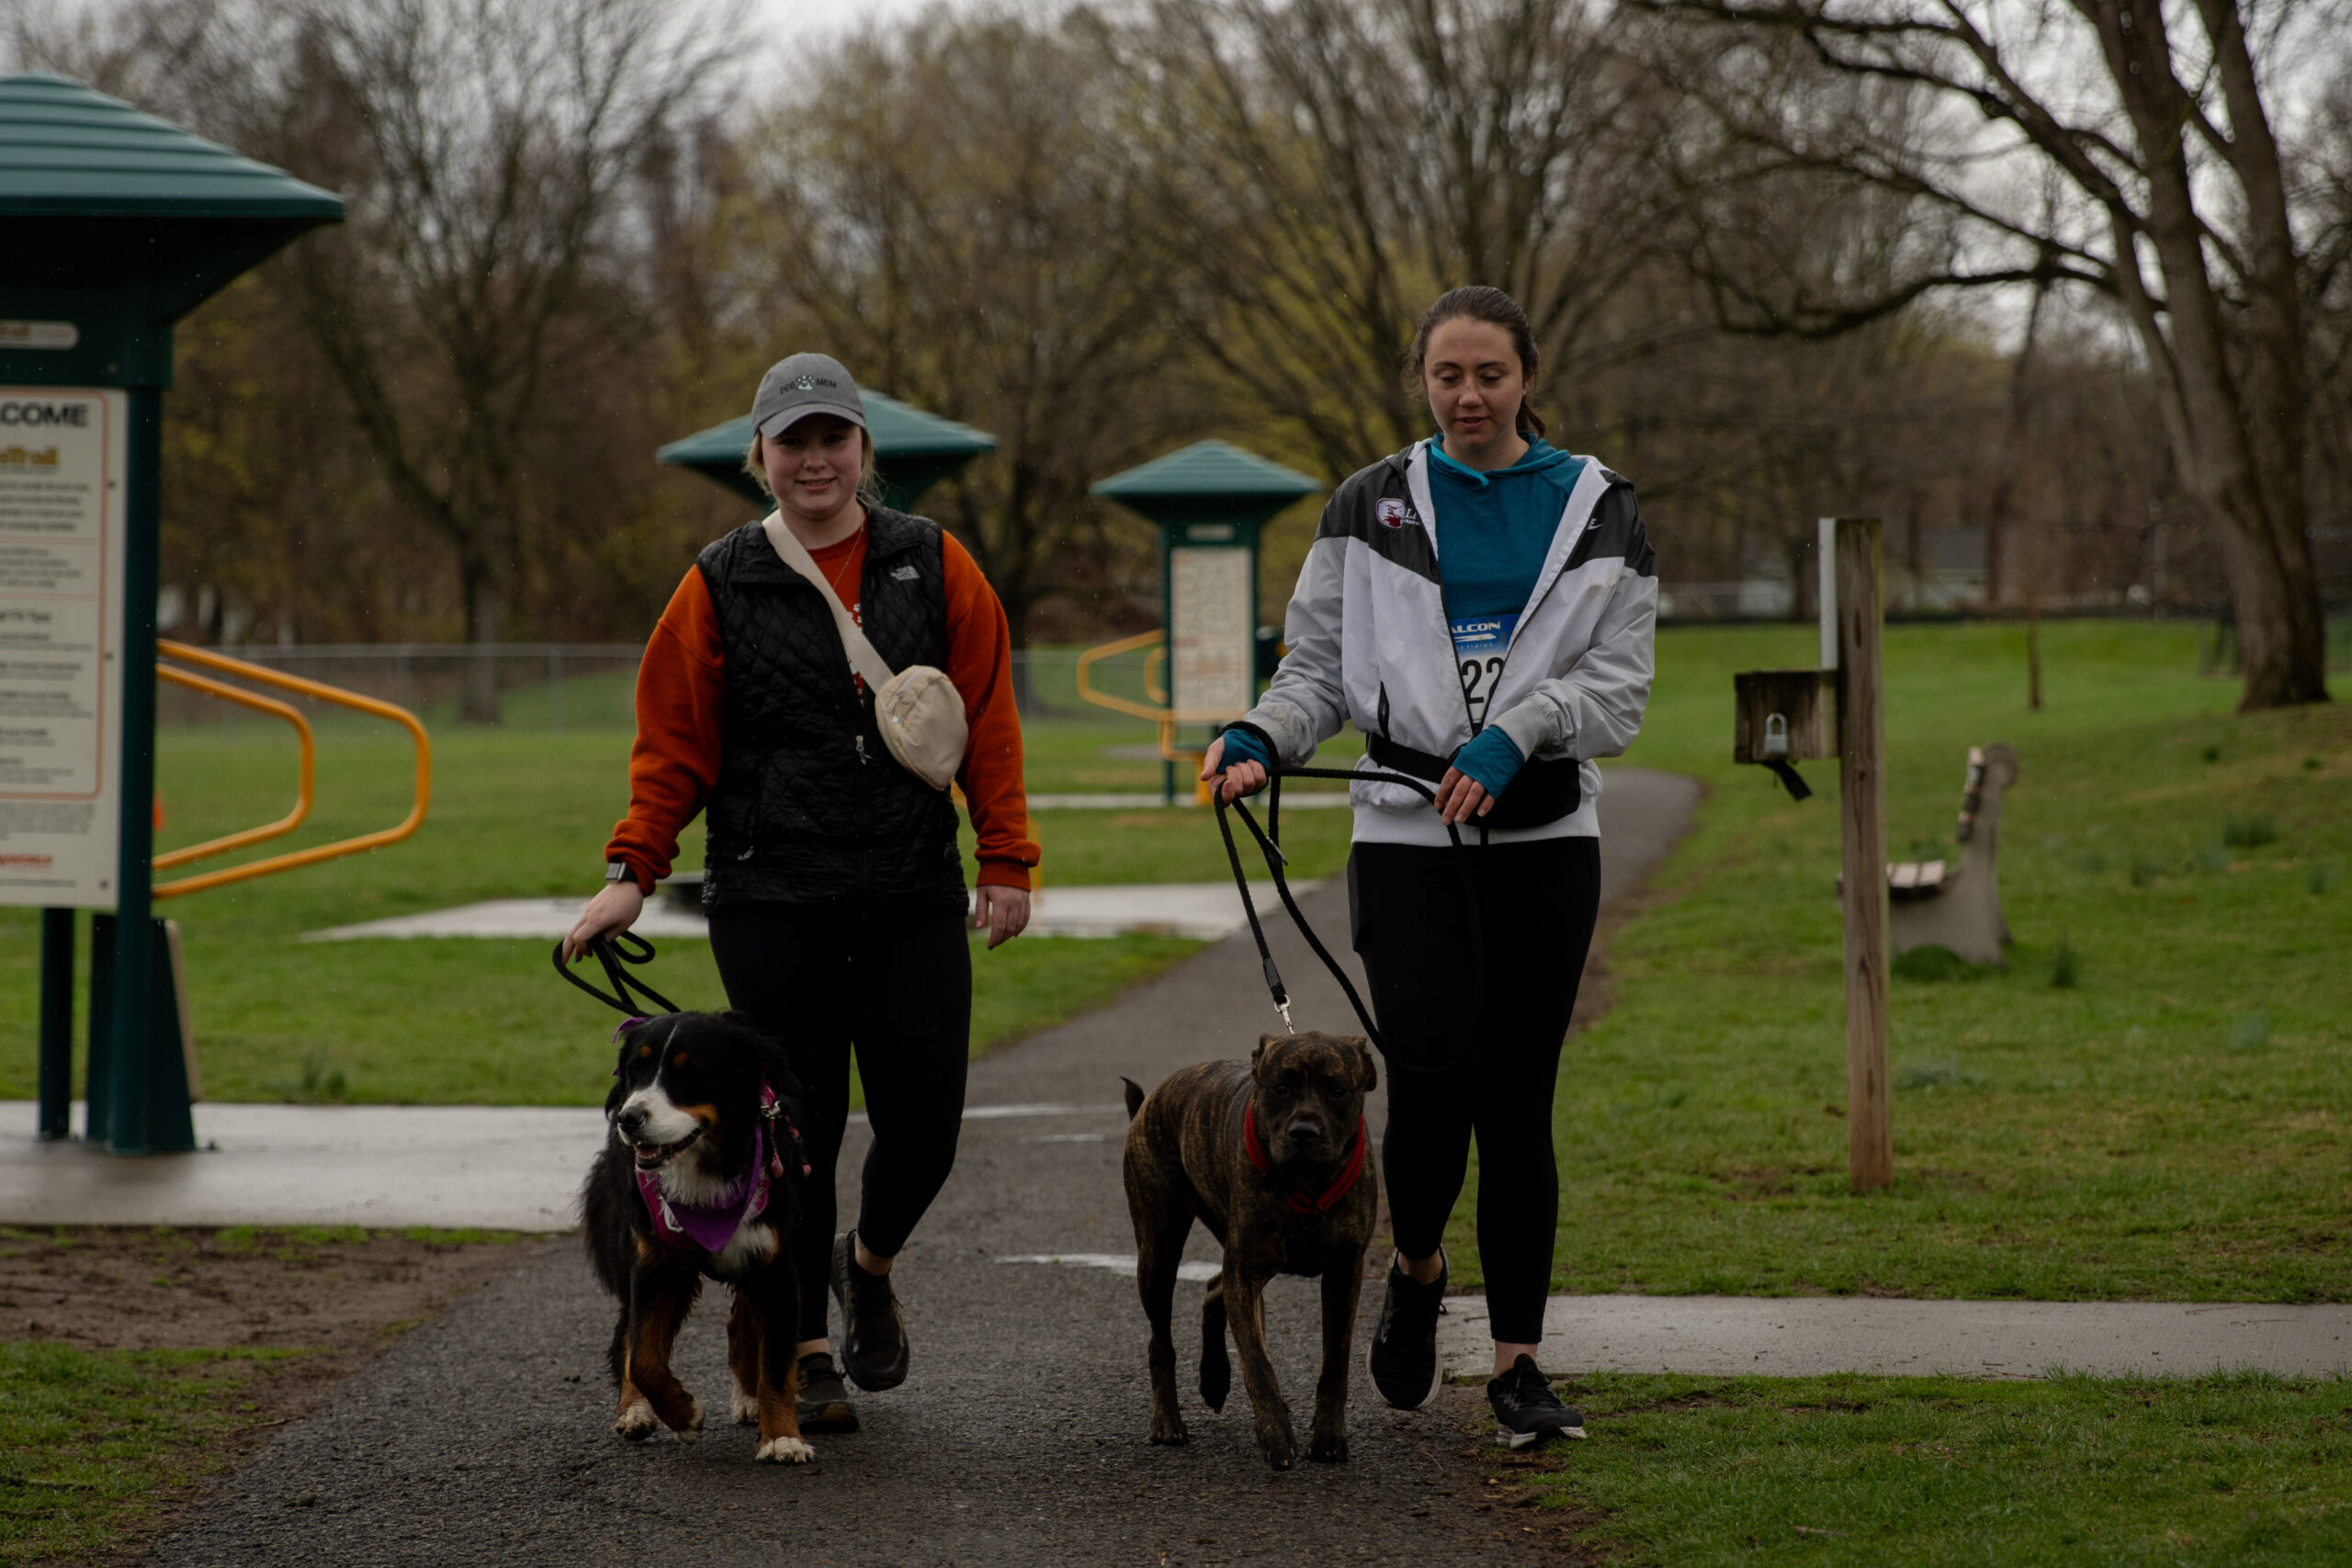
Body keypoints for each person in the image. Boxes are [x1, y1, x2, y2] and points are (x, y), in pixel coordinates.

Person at [1200, 287, 1656, 1448]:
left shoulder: (1598, 504)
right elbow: (1315, 670)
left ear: (1526, 376)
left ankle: (1517, 1367)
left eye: (1490, 374)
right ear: (1423, 380)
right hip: (1406, 843)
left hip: (1545, 842)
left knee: (1518, 1103)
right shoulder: (1368, 505)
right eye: (1448, 375)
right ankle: (1414, 1270)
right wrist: (1259, 736)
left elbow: (1619, 689)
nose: (1469, 396)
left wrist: (1521, 730)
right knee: (1431, 1090)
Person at [563, 353, 1039, 1435]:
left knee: (925, 1125)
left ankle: (864, 1265)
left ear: (863, 449)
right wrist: (631, 873)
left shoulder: (936, 563)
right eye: (793, 443)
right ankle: (808, 1349)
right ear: (761, 457)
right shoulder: (718, 581)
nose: (814, 460)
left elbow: (987, 719)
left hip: (911, 888)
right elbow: (671, 747)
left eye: (833, 439)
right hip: (770, 895)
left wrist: (1006, 858)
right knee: (798, 1129)